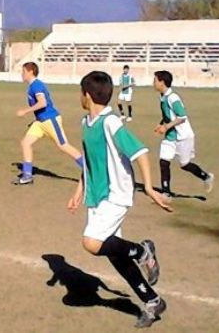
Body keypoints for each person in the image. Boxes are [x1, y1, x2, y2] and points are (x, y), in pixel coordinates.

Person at [67, 70, 172, 328]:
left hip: (116, 194)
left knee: (92, 243)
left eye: (81, 93)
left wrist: (148, 187)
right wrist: (80, 189)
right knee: (115, 254)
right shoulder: (86, 123)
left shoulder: (110, 122)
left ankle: (142, 250)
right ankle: (152, 300)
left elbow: (140, 152)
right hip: (97, 195)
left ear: (87, 95)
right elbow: (90, 160)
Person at [13, 62, 83, 185]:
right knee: (25, 143)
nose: (22, 74)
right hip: (40, 122)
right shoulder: (32, 86)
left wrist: (25, 111)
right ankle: (28, 175)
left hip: (50, 120)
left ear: (30, 72)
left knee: (64, 146)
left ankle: (89, 170)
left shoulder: (36, 85)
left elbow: (43, 103)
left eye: (23, 71)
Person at [152, 70, 214, 198]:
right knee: (164, 162)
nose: (153, 83)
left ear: (162, 82)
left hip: (183, 137)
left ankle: (206, 177)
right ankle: (166, 192)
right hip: (170, 137)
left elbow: (182, 117)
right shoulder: (163, 96)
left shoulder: (173, 98)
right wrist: (161, 123)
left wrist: (166, 126)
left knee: (184, 164)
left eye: (155, 80)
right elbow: (168, 115)